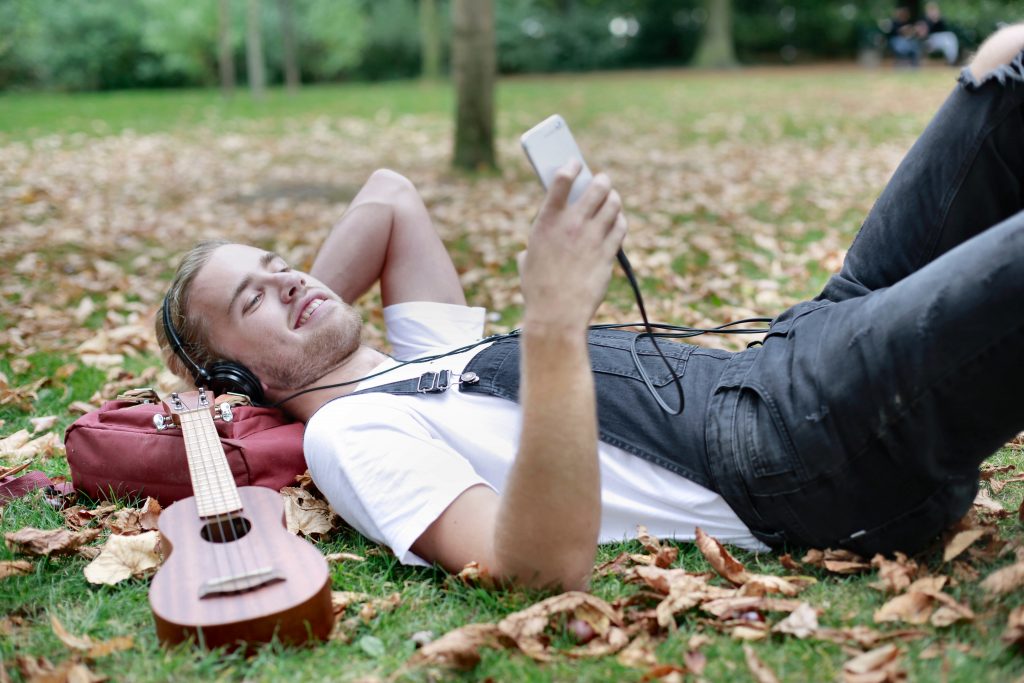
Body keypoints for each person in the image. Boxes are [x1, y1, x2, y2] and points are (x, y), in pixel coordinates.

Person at [157, 25, 1024, 591]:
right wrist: (552, 323)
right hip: (797, 450)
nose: (294, 283)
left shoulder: (406, 360)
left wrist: (296, 311)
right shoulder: (348, 433)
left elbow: (388, 199)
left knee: (1002, 61)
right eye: (254, 298)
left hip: (797, 344)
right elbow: (534, 566)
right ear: (236, 373)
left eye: (283, 267)